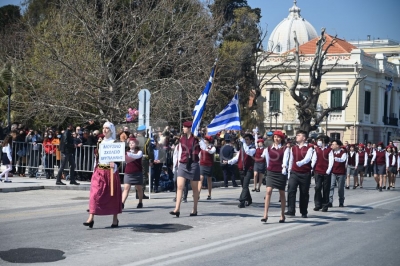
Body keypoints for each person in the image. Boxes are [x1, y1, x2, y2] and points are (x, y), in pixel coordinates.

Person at [84, 122, 122, 228]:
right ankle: (91, 218)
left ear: (111, 130)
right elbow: (97, 157)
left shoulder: (115, 142)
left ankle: (115, 219)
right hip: (100, 171)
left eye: (107, 128)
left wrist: (115, 164)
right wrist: (94, 170)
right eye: (103, 128)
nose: (105, 130)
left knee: (113, 195)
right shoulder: (100, 142)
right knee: (95, 194)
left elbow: (119, 159)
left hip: (111, 172)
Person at [169, 121, 203, 217]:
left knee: (194, 188)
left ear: (189, 128)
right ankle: (177, 209)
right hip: (183, 164)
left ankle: (194, 209)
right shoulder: (181, 139)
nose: (183, 129)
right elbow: (179, 151)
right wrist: (177, 164)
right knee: (179, 186)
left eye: (184, 127)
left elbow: (202, 149)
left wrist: (200, 140)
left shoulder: (196, 139)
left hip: (193, 164)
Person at [261, 130, 289, 223]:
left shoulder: (285, 149)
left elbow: (285, 159)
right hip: (271, 172)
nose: (276, 139)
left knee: (282, 193)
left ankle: (282, 214)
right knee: (268, 191)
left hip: (280, 172)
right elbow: (267, 160)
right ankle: (265, 214)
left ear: (281, 139)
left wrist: (284, 168)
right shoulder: (268, 148)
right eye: (275, 137)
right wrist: (269, 169)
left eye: (278, 137)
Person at [286, 130, 314, 218]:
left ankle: (304, 211)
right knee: (291, 190)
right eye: (296, 135)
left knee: (304, 193)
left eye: (299, 135)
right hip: (294, 172)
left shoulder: (309, 147)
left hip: (305, 173)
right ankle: (291, 210)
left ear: (304, 138)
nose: (296, 136)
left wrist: (300, 163)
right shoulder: (293, 148)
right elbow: (291, 160)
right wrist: (289, 172)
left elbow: (308, 159)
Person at [225, 132, 256, 208]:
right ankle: (249, 199)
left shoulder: (253, 148)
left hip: (248, 169)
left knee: (245, 185)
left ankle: (242, 201)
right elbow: (236, 158)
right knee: (244, 186)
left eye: (247, 140)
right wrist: (228, 162)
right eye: (245, 140)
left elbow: (248, 152)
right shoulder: (242, 148)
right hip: (241, 169)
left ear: (251, 140)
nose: (246, 141)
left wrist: (243, 142)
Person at [311, 135, 333, 212]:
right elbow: (314, 159)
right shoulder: (317, 150)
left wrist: (328, 170)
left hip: (326, 172)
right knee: (317, 188)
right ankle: (318, 204)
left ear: (324, 141)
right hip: (318, 171)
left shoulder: (329, 150)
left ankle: (325, 205)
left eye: (320, 140)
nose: (318, 142)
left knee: (326, 189)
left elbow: (331, 161)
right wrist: (311, 168)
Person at [122, 138, 144, 209]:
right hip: (128, 172)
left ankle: (140, 202)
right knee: (126, 188)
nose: (131, 144)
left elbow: (137, 156)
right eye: (130, 143)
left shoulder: (139, 152)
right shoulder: (126, 152)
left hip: (137, 172)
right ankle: (122, 203)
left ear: (136, 144)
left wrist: (129, 154)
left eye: (133, 143)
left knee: (139, 188)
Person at [329, 140, 347, 207]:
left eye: (333, 144)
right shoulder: (331, 152)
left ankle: (341, 201)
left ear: (338, 145)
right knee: (331, 186)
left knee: (340, 188)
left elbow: (343, 160)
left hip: (341, 173)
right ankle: (330, 201)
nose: (332, 145)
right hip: (333, 172)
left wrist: (335, 158)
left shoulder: (343, 153)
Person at [199, 135, 216, 200]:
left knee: (209, 180)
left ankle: (209, 194)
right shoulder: (202, 147)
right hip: (202, 164)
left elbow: (211, 152)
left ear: (208, 141)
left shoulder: (212, 147)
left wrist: (206, 148)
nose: (205, 141)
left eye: (206, 140)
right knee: (201, 179)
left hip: (209, 164)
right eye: (204, 140)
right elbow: (199, 155)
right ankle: (198, 194)